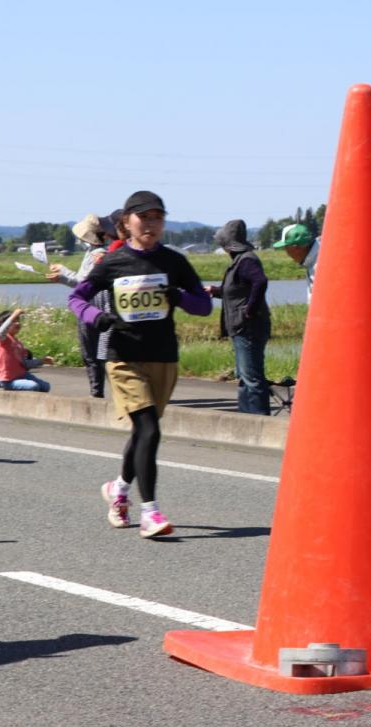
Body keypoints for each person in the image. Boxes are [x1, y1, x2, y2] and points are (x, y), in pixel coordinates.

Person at [69, 191, 212, 537]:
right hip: (123, 358)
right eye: (143, 217)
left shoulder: (174, 261)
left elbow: (204, 306)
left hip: (163, 357)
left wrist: (179, 296)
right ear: (127, 222)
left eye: (157, 218)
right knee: (150, 430)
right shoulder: (113, 262)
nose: (151, 224)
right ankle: (151, 513)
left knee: (143, 432)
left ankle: (118, 489)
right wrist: (95, 318)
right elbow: (76, 297)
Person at [48, 211, 122, 397]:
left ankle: (96, 393)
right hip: (101, 305)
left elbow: (84, 282)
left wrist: (63, 275)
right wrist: (63, 273)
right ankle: (101, 392)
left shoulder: (97, 254)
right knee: (100, 353)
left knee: (92, 353)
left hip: (92, 306)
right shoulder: (98, 252)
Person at [208, 219, 270, 415]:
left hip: (248, 328)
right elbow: (237, 291)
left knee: (252, 378)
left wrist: (249, 311)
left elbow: (260, 282)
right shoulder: (241, 261)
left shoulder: (246, 260)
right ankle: (246, 419)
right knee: (244, 377)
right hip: (241, 327)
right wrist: (215, 291)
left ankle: (261, 420)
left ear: (228, 245)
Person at [0, 308, 54, 391]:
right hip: (6, 380)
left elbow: (25, 364)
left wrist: (41, 361)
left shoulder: (18, 344)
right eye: (14, 321)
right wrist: (14, 315)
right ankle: (6, 384)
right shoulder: (3, 339)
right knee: (33, 386)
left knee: (46, 386)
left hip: (18, 375)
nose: (17, 323)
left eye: (18, 320)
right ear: (3, 324)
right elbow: (1, 332)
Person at [273, 222, 319, 300]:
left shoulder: (319, 265)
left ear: (295, 248)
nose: (288, 254)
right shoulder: (312, 260)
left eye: (286, 249)